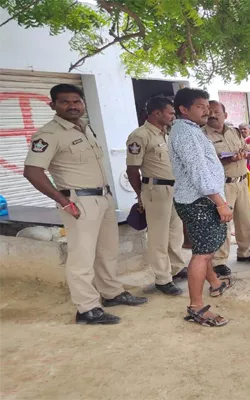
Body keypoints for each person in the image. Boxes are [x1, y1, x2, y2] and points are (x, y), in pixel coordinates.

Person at [23, 84, 147, 325]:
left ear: (83, 104)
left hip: (103, 198)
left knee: (107, 251)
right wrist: (63, 201)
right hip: (78, 202)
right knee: (82, 257)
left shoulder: (85, 128)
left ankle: (111, 293)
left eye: (76, 101)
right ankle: (87, 308)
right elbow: (32, 171)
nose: (72, 106)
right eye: (65, 102)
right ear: (53, 105)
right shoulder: (49, 134)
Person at [168, 88, 233, 327]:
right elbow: (199, 173)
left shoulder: (190, 130)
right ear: (184, 109)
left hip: (199, 199)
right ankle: (196, 307)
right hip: (200, 202)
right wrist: (221, 203)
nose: (207, 110)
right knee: (202, 254)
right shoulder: (185, 133)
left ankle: (215, 283)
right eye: (200, 106)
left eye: (207, 106)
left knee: (204, 249)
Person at [125, 96, 187, 297]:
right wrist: (139, 195)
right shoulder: (140, 136)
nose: (173, 116)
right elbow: (132, 169)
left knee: (175, 233)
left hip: (174, 189)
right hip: (155, 190)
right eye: (170, 112)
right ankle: (163, 278)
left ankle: (176, 268)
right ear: (157, 113)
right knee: (158, 237)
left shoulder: (166, 134)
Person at [203, 101, 250, 277]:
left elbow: (246, 149)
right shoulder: (202, 135)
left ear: (225, 115)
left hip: (242, 181)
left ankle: (245, 252)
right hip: (221, 184)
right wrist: (228, 160)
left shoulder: (234, 132)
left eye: (217, 112)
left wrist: (249, 153)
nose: (213, 115)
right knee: (222, 223)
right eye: (210, 112)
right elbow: (204, 163)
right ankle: (219, 261)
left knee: (245, 220)